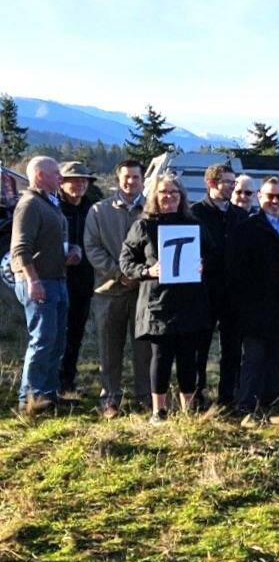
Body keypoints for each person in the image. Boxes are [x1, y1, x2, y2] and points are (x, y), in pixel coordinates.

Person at [118, 173, 213, 423]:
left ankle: (188, 410)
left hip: (190, 301)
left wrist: (204, 265)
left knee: (187, 357)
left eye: (174, 192)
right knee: (160, 356)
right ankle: (158, 411)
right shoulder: (143, 225)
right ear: (155, 196)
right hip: (158, 302)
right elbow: (126, 261)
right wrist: (148, 271)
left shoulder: (194, 224)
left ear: (181, 196)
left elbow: (212, 255)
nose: (168, 196)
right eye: (163, 192)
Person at [83, 159, 153, 416]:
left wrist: (141, 275)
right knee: (109, 347)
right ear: (117, 179)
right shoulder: (99, 211)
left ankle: (146, 396)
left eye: (135, 177)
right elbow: (92, 248)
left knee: (144, 347)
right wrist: (119, 273)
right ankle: (110, 398)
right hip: (108, 290)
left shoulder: (151, 210)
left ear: (143, 180)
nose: (131, 181)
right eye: (126, 177)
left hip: (143, 291)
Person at [226, 178, 279, 423]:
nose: (275, 201)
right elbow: (236, 270)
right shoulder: (247, 228)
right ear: (259, 197)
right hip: (255, 304)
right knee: (254, 356)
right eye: (270, 196)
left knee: (277, 356)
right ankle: (246, 404)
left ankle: (270, 402)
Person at [9, 157, 70, 413]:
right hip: (40, 281)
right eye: (56, 173)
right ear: (39, 175)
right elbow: (21, 248)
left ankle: (48, 393)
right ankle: (30, 400)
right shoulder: (30, 204)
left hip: (56, 279)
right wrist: (32, 280)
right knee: (42, 340)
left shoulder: (50, 203)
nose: (61, 178)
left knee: (55, 339)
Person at [186, 163, 242, 408]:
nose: (232, 186)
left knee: (231, 348)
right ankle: (197, 395)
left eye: (233, 182)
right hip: (204, 292)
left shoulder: (240, 215)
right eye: (228, 182)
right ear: (211, 183)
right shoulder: (194, 214)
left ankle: (228, 395)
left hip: (233, 292)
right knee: (200, 348)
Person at [56, 162, 97, 400]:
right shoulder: (53, 208)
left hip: (83, 280)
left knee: (76, 331)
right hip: (55, 277)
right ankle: (49, 382)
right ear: (62, 182)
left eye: (84, 180)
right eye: (75, 179)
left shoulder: (91, 210)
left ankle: (67, 380)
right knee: (54, 332)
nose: (81, 184)